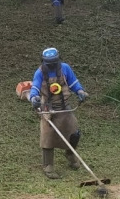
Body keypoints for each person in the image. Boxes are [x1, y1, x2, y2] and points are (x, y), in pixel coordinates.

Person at [29, 47, 88, 179]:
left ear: (58, 60)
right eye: (48, 62)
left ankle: (70, 154)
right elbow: (35, 88)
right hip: (48, 108)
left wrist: (80, 92)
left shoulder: (65, 68)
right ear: (43, 61)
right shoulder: (39, 72)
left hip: (64, 107)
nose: (51, 65)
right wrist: (34, 98)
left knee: (74, 132)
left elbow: (74, 83)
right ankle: (48, 165)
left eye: (54, 62)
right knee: (47, 135)